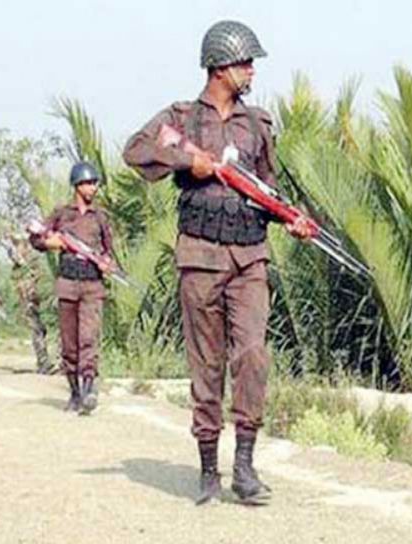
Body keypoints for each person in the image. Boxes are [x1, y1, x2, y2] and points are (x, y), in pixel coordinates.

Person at [123, 20, 310, 504]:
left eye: (251, 63)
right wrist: (191, 163)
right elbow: (135, 151)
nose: (251, 70)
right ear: (220, 66)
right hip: (200, 257)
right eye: (245, 62)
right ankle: (209, 469)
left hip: (249, 256)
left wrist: (292, 217)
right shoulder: (182, 118)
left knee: (252, 355)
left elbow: (267, 188)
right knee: (206, 365)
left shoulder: (258, 124)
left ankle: (245, 466)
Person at [29, 161, 115, 415]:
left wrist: (108, 263)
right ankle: (75, 393)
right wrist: (50, 243)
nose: (93, 188)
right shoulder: (61, 214)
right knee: (69, 343)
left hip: (92, 284)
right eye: (88, 183)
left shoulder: (100, 217)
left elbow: (110, 251)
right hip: (67, 283)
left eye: (95, 184)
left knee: (88, 338)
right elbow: (36, 237)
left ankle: (89, 388)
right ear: (77, 185)